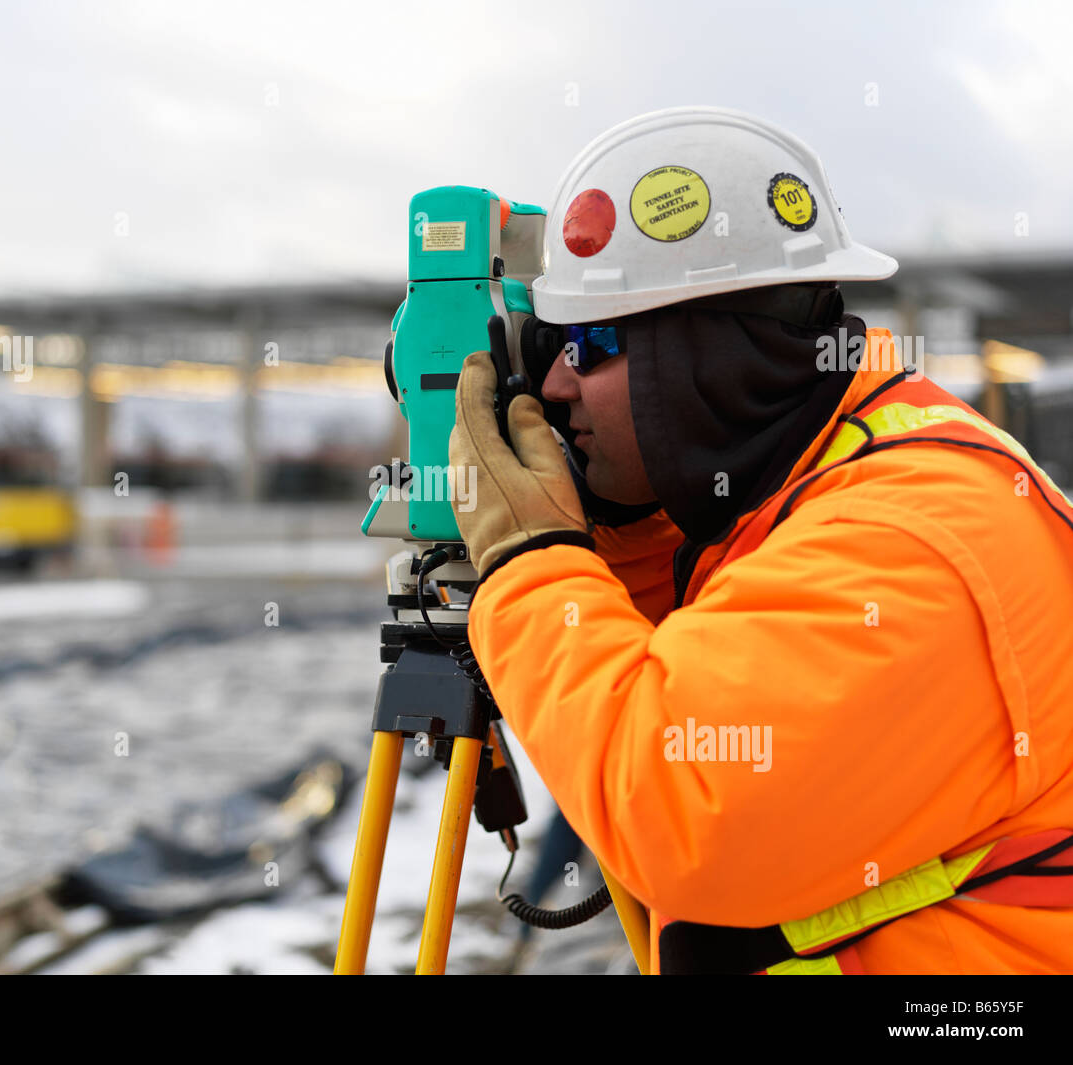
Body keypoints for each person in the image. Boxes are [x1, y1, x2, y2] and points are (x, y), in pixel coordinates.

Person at [448, 106, 1073, 974]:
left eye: (591, 344)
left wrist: (531, 565)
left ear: (707, 353)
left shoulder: (911, 542)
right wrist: (619, 526)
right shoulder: (816, 479)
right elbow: (723, 654)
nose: (555, 382)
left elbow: (677, 803)